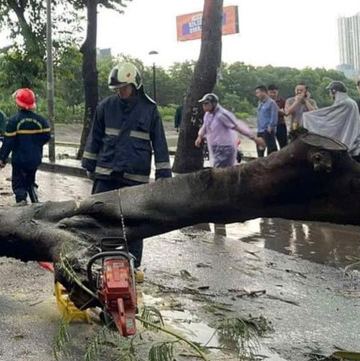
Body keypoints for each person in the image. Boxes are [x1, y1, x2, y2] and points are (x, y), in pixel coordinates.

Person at [81, 62, 172, 279]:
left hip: (135, 174)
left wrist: (163, 174)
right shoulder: (106, 106)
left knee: (135, 220)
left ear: (134, 84)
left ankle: (133, 263)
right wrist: (89, 164)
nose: (120, 92)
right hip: (107, 171)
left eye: (123, 88)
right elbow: (95, 137)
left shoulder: (149, 109)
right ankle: (102, 258)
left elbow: (159, 142)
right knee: (100, 216)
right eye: (116, 89)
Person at [0, 88, 51, 205]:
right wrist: (35, 145)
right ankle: (35, 202)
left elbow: (8, 142)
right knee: (30, 180)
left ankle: (21, 206)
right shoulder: (41, 120)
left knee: (19, 184)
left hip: (19, 160)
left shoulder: (13, 121)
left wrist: (3, 158)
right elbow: (47, 137)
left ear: (18, 103)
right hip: (35, 159)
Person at [194, 93, 265, 168]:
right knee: (216, 169)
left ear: (213, 104)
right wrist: (199, 136)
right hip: (214, 147)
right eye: (203, 104)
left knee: (223, 171)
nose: (204, 106)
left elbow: (237, 127)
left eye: (206, 104)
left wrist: (253, 138)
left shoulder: (222, 115)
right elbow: (205, 126)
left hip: (225, 148)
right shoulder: (207, 115)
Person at [302, 81, 360, 160]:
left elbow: (328, 116)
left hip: (350, 141)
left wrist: (308, 116)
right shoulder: (350, 102)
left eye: (330, 91)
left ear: (334, 91)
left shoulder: (344, 103)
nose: (329, 94)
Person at [254, 85, 278, 157]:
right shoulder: (260, 103)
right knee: (260, 149)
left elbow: (274, 115)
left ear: (263, 92)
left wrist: (271, 126)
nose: (257, 95)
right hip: (260, 129)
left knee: (271, 149)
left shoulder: (271, 103)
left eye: (258, 93)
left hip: (267, 129)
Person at [267, 84, 287, 148]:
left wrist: (276, 110)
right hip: (268, 126)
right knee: (271, 146)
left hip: (280, 124)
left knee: (283, 145)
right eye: (271, 92)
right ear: (267, 92)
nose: (273, 94)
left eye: (274, 92)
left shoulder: (282, 101)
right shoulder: (265, 102)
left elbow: (286, 113)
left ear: (277, 92)